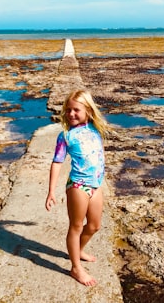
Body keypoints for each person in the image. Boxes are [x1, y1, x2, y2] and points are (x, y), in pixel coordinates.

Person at [45, 89, 111, 286]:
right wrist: (51, 191)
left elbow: (99, 154)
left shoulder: (96, 129)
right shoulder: (65, 136)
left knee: (94, 226)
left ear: (88, 111)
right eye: (68, 110)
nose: (71, 114)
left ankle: (78, 250)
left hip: (96, 186)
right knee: (76, 226)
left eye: (76, 110)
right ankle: (75, 267)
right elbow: (57, 162)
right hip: (78, 186)